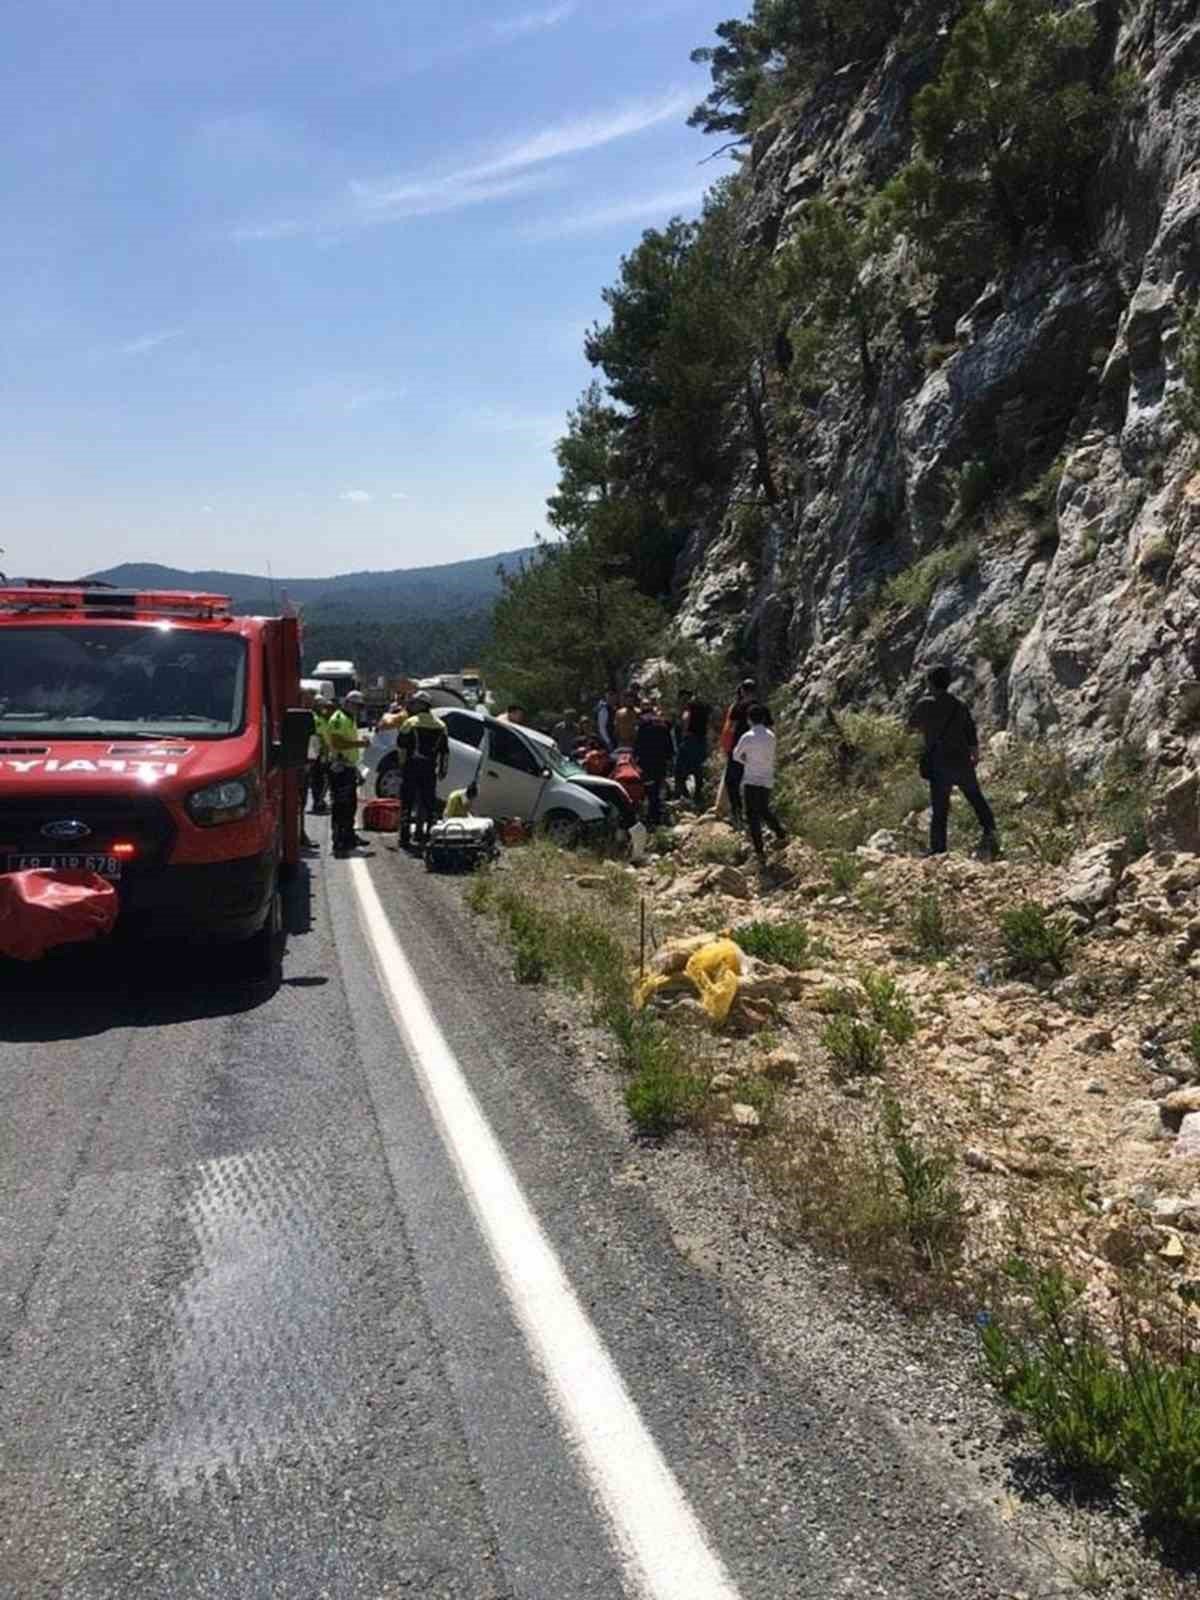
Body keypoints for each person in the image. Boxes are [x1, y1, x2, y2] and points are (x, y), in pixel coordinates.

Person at [910, 664, 1000, 859]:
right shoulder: (959, 705)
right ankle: (991, 831)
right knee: (975, 798)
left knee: (940, 808)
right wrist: (975, 754)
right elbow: (970, 732)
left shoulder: (924, 705)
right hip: (960, 760)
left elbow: (912, 725)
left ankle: (938, 850)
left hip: (938, 762)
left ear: (930, 683)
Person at [732, 704, 787, 866]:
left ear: (749, 719)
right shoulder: (771, 736)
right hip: (767, 778)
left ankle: (759, 851)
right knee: (764, 809)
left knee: (751, 815)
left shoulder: (747, 737)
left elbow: (736, 755)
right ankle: (780, 833)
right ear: (763, 718)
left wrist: (745, 760)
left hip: (751, 779)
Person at [398, 692, 449, 850]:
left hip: (412, 767)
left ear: (421, 705)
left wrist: (402, 766)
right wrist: (442, 769)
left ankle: (405, 837)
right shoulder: (441, 725)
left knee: (407, 802)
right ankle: (429, 835)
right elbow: (445, 752)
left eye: (415, 703)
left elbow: (401, 747)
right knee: (429, 803)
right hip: (429, 768)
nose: (412, 705)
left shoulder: (410, 723)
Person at [721, 679, 771, 827]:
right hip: (759, 752)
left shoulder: (738, 707)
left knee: (732, 781)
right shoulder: (763, 708)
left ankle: (737, 814)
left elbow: (731, 728)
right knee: (756, 782)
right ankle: (759, 815)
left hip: (740, 750)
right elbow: (771, 730)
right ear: (755, 690)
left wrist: (727, 747)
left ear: (742, 690)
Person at [326, 690, 370, 853]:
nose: (359, 710)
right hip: (340, 768)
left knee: (350, 805)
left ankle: (349, 837)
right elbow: (338, 743)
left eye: (360, 707)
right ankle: (339, 840)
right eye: (357, 706)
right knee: (340, 806)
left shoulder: (350, 719)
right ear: (348, 704)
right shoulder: (339, 719)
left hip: (348, 766)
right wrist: (361, 744)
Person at [633, 702, 675, 827]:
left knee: (647, 789)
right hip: (660, 761)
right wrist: (669, 758)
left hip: (646, 761)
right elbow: (669, 745)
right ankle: (656, 817)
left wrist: (635, 758)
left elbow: (639, 743)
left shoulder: (643, 724)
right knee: (656, 788)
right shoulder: (663, 723)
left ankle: (648, 817)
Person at [674, 689, 711, 808]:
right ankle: (698, 797)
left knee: (679, 771)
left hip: (689, 741)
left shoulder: (689, 710)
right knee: (697, 769)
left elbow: (685, 722)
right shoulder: (703, 709)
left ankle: (685, 798)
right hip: (701, 741)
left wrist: (684, 739)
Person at [309, 696, 332, 813]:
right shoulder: (316, 718)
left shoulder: (321, 718)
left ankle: (319, 801)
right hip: (318, 754)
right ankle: (318, 803)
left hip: (322, 753)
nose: (324, 708)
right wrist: (322, 753)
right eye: (322, 705)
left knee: (321, 780)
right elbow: (317, 737)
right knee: (320, 780)